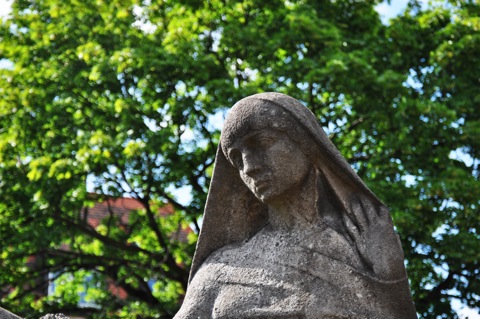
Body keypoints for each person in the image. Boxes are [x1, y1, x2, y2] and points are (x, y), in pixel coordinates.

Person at [174, 92, 417, 319]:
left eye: (263, 141)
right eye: (237, 158)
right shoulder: (220, 270)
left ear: (306, 143)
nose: (249, 167)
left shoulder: (359, 254)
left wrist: (390, 278)